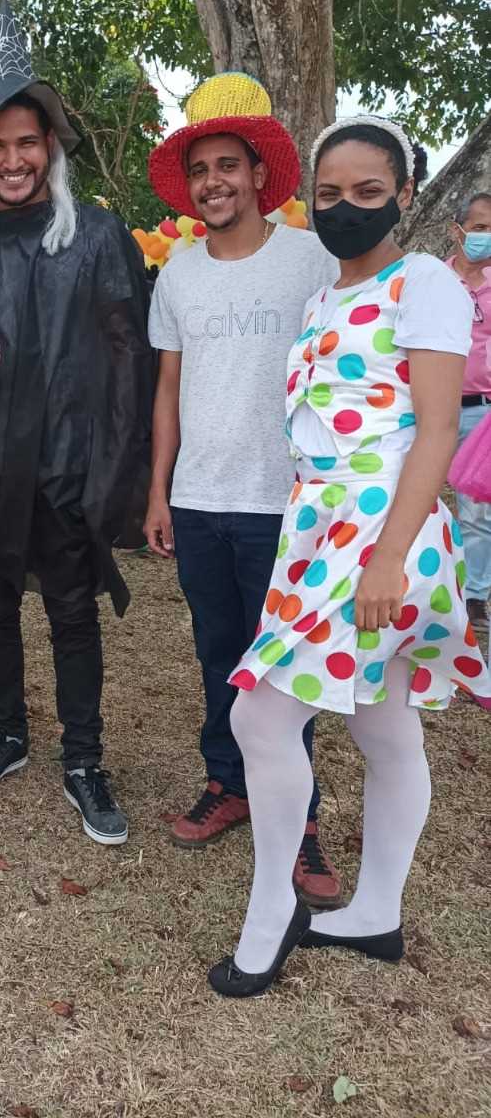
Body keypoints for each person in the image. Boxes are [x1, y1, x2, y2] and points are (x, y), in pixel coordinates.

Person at [207, 116, 490, 998]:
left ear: (406, 196)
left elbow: (437, 431)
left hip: (379, 530)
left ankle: (273, 911)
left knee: (259, 719)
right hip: (318, 523)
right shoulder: (323, 298)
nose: (346, 208)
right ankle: (375, 914)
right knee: (380, 722)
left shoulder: (427, 284)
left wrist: (388, 557)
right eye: (329, 195)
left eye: (369, 193)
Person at [0, 1, 153, 846]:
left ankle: (83, 758)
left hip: (69, 469)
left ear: (49, 148)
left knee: (74, 613)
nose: (12, 161)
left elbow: (131, 360)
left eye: (26, 142)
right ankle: (7, 733)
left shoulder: (98, 239)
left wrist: (117, 474)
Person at [144, 73, 342, 908]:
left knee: (288, 670)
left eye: (229, 165)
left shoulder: (313, 259)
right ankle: (228, 784)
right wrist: (158, 492)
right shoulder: (178, 275)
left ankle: (299, 824)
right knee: (219, 656)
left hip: (286, 504)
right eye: (202, 172)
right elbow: (167, 390)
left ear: (259, 174)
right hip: (198, 502)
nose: (215, 182)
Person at [446, 192, 491, 630]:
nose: (486, 237)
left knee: (476, 510)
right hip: (430, 408)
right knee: (415, 500)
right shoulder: (433, 281)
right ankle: (427, 587)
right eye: (479, 228)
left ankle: (475, 595)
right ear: (457, 231)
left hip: (481, 413)